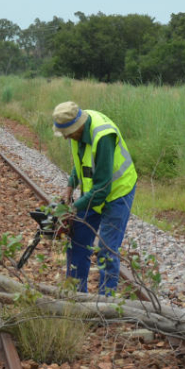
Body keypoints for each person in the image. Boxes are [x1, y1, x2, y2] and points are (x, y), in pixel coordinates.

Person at [52, 101, 137, 295]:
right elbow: (81, 162)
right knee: (77, 240)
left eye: (68, 133)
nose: (65, 137)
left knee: (107, 250)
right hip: (94, 193)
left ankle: (106, 303)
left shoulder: (103, 136)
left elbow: (102, 189)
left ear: (78, 126)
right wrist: (70, 185)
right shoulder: (79, 128)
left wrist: (73, 208)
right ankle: (76, 296)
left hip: (118, 192)